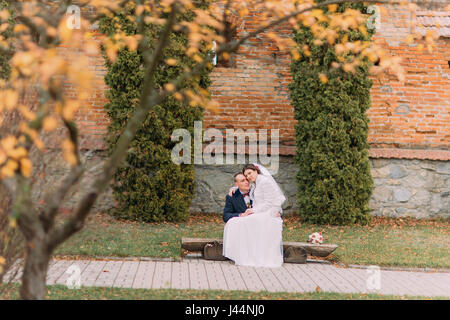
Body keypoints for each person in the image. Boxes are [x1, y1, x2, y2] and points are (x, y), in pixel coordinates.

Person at [222, 163, 286, 268]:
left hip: (266, 212)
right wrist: (233, 188)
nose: (248, 177)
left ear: (256, 171)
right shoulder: (255, 183)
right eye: (246, 176)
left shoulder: (264, 182)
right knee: (236, 222)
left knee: (244, 222)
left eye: (249, 173)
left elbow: (270, 202)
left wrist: (253, 210)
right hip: (260, 212)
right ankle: (244, 254)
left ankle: (250, 256)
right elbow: (226, 215)